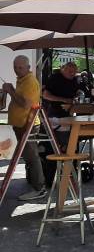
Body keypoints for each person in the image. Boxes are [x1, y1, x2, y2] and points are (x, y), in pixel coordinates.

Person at [5, 55, 45, 201]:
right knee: (29, 157)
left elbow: (25, 104)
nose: (17, 70)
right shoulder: (22, 80)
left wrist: (11, 91)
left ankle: (39, 188)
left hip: (28, 125)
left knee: (32, 157)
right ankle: (34, 184)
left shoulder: (29, 82)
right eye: (15, 67)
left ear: (28, 67)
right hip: (22, 124)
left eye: (20, 67)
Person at [42, 62, 80, 148]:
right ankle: (65, 151)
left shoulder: (74, 80)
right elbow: (45, 95)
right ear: (63, 70)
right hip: (54, 114)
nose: (72, 74)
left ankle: (71, 152)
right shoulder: (55, 78)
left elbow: (76, 92)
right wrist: (64, 100)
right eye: (70, 71)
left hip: (69, 114)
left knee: (74, 135)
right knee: (65, 138)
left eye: (74, 72)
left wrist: (77, 96)